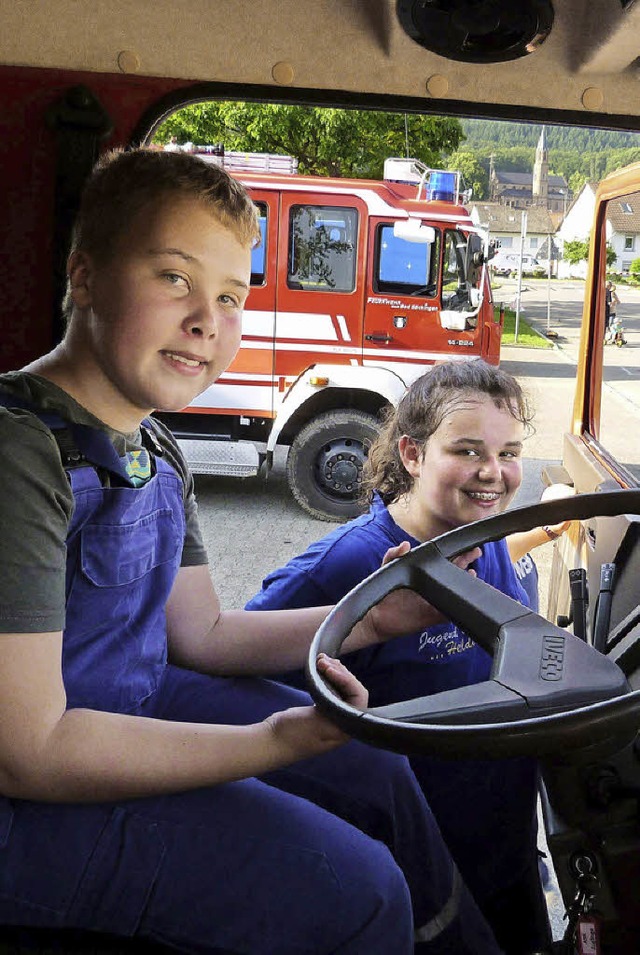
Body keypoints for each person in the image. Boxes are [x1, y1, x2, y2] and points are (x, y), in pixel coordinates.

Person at [0, 148, 502, 955]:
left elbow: (203, 635)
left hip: (136, 702)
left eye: (232, 294)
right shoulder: (20, 451)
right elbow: (30, 750)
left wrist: (371, 621)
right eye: (173, 277)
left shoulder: (151, 443)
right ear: (83, 276)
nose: (208, 319)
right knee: (363, 889)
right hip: (33, 801)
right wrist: (271, 740)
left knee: (381, 773)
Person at [246, 361, 555, 955]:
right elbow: (239, 664)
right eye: (467, 451)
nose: (493, 474)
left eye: (508, 452)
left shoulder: (482, 538)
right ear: (412, 454)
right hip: (423, 860)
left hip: (504, 839)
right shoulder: (347, 566)